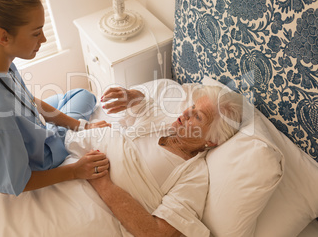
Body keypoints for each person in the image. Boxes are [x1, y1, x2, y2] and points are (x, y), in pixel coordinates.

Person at [0, 0, 110, 196]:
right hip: (38, 156)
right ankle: (61, 138)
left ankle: (70, 127)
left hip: (22, 121)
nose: (44, 39)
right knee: (86, 100)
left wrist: (80, 126)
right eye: (36, 33)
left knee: (82, 94)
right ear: (3, 37)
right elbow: (15, 183)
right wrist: (76, 170)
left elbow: (23, 97)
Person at [65, 80, 244, 236]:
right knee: (77, 97)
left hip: (86, 203)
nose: (186, 113)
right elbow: (143, 103)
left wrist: (102, 183)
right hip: (70, 158)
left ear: (212, 141)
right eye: (193, 106)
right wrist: (129, 95)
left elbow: (157, 233)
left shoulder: (194, 177)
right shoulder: (165, 122)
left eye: (197, 116)